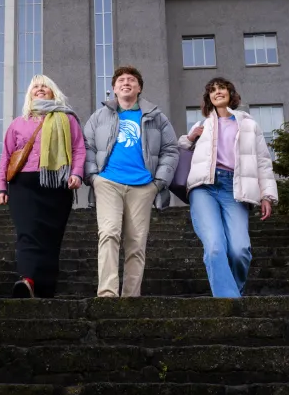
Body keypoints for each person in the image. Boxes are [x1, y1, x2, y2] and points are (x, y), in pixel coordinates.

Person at [84, 65, 179, 298]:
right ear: (114, 89)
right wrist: (93, 177)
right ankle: (107, 294)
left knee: (136, 242)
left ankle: (130, 297)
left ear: (139, 88)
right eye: (121, 80)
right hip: (107, 183)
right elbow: (87, 147)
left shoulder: (157, 116)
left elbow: (171, 149)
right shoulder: (99, 116)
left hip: (143, 186)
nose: (126, 83)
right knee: (109, 233)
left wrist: (158, 182)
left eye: (132, 80)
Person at [179, 77, 278, 298]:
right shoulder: (201, 125)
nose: (217, 92)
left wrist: (267, 195)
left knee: (240, 250)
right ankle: (229, 301)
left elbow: (262, 160)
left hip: (235, 187)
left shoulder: (249, 124)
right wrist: (190, 138)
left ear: (230, 93)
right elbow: (180, 149)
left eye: (221, 88)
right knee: (214, 246)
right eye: (212, 90)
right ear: (209, 98)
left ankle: (234, 293)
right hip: (204, 187)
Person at [0, 74, 85, 298]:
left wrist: (76, 174)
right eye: (35, 86)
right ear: (29, 94)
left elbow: (78, 149)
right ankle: (27, 280)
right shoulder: (19, 122)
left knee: (51, 237)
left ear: (53, 91)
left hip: (57, 186)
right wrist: (1, 187)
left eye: (44, 86)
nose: (40, 89)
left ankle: (45, 287)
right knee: (27, 234)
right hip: (23, 186)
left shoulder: (68, 119)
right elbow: (6, 155)